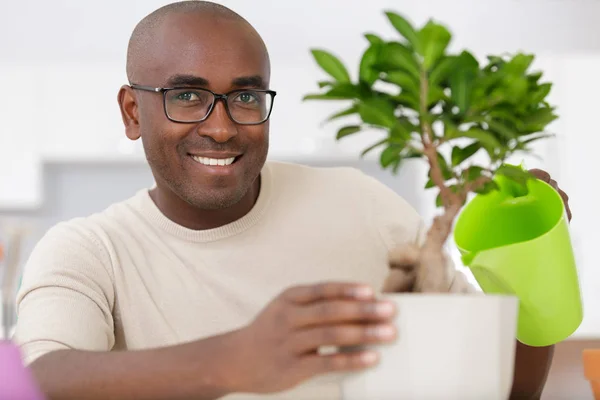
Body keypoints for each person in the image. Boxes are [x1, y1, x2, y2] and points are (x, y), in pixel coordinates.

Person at [12, 1, 572, 399]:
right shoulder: (88, 251)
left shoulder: (361, 206)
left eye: (246, 96)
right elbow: (40, 380)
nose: (224, 128)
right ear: (134, 112)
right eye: (187, 96)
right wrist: (234, 360)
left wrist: (526, 261)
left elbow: (503, 387)